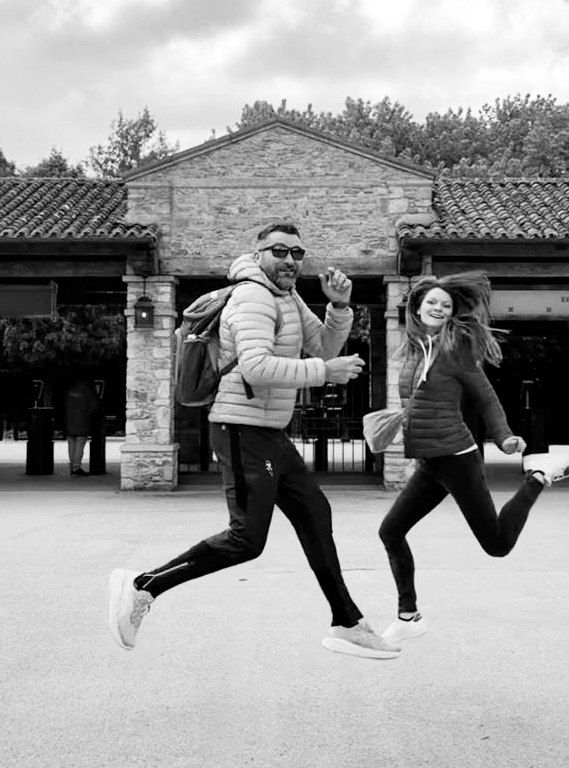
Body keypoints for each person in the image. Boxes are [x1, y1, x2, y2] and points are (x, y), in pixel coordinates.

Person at [108, 222, 402, 659]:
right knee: (246, 539)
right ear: (258, 252)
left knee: (315, 514)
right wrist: (325, 373)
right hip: (241, 430)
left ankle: (347, 623)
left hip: (268, 431)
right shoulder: (253, 297)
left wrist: (339, 306)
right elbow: (256, 367)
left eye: (297, 253)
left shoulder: (287, 296)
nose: (289, 260)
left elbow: (323, 345)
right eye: (279, 251)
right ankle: (142, 586)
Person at [378, 271, 569, 644]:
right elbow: (419, 398)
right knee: (390, 531)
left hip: (457, 458)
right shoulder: (416, 348)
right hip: (430, 461)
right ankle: (408, 616)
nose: (438, 308)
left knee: (497, 545)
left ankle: (538, 476)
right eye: (432, 302)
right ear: (418, 308)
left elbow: (486, 397)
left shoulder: (457, 351)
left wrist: (504, 437)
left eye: (446, 305)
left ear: (453, 313)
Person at [62, 374, 100, 478]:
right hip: (82, 421)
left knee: (71, 444)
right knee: (80, 444)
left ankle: (72, 466)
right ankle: (76, 467)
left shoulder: (70, 391)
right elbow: (94, 407)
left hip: (70, 421)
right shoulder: (86, 390)